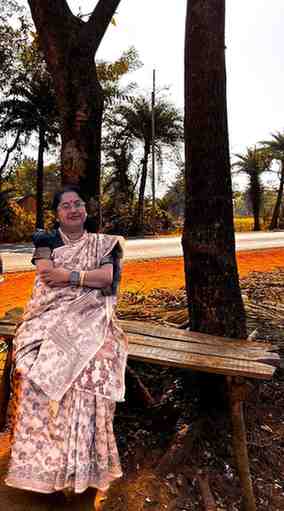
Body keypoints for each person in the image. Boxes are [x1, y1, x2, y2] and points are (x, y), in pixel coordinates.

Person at [5, 186, 128, 508]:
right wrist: (82, 276)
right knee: (32, 371)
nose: (73, 209)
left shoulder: (104, 243)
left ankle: (81, 467)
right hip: (49, 316)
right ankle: (44, 467)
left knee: (93, 367)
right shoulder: (46, 241)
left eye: (78, 204)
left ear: (85, 210)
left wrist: (70, 275)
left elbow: (106, 279)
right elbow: (47, 276)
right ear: (57, 213)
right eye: (66, 206)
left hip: (92, 316)